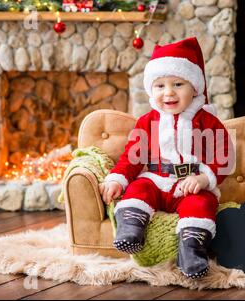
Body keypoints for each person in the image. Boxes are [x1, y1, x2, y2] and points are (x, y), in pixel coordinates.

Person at [99, 37, 233, 279]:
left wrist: (204, 179)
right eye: (160, 86)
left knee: (202, 204)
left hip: (189, 184)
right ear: (152, 90)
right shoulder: (147, 121)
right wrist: (117, 179)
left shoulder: (207, 121)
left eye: (178, 84)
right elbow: (132, 157)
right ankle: (131, 228)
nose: (168, 92)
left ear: (195, 87)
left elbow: (223, 155)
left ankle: (191, 250)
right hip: (155, 178)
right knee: (138, 189)